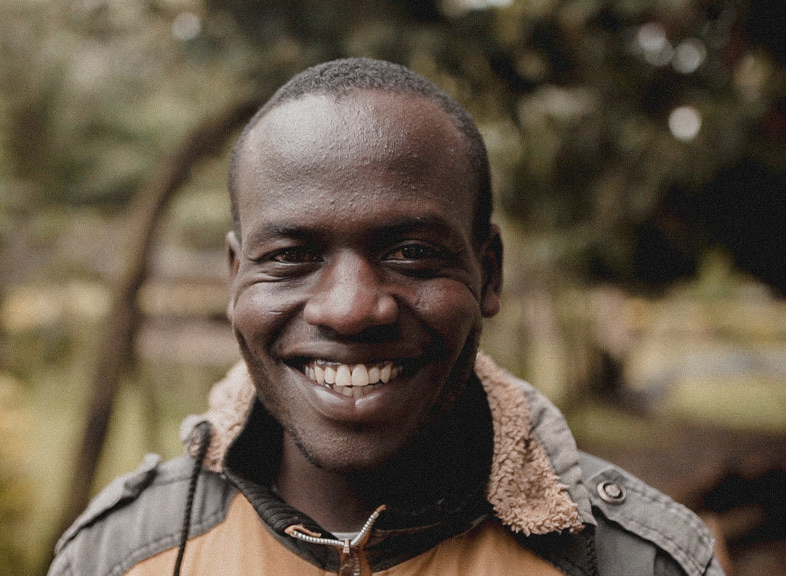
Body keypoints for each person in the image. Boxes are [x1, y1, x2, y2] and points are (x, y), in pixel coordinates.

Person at [48, 58, 725, 576]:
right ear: (235, 278)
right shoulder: (121, 555)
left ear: (488, 273)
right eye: (291, 255)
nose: (349, 309)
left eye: (410, 252)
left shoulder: (641, 564)